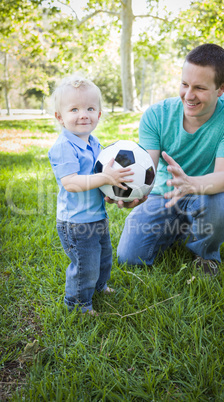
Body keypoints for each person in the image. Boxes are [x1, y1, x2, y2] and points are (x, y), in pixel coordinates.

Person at [115, 43, 224, 276]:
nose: (188, 95)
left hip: (207, 194)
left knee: (223, 204)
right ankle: (183, 229)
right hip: (163, 194)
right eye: (184, 84)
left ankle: (206, 255)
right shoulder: (157, 115)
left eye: (199, 88)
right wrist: (135, 193)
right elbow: (147, 169)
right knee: (130, 258)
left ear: (222, 88)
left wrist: (190, 185)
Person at [48, 75, 133, 315]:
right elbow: (71, 183)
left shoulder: (94, 143)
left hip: (96, 216)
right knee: (85, 264)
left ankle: (99, 286)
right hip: (75, 222)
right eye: (74, 109)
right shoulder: (63, 147)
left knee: (104, 257)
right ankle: (77, 303)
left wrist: (116, 183)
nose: (83, 114)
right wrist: (106, 178)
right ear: (60, 117)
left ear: (99, 114)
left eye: (90, 108)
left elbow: (103, 170)